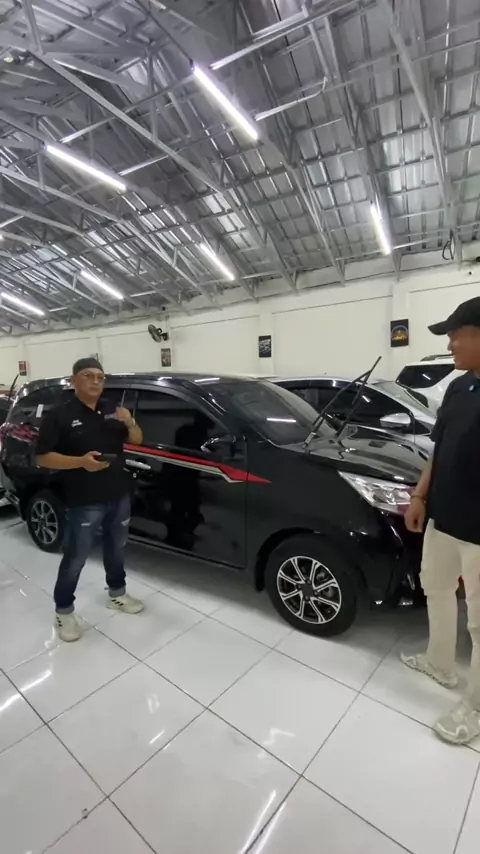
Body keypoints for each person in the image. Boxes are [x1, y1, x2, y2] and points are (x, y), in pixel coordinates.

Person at [402, 296, 480, 744]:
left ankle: (476, 707)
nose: (449, 345)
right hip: (443, 516)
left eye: (455, 335)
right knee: (436, 587)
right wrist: (419, 495)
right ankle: (440, 663)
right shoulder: (459, 387)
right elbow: (439, 447)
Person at [36, 357, 145, 642]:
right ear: (74, 380)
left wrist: (130, 421)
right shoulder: (59, 416)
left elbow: (136, 439)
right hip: (85, 499)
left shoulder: (112, 409)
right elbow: (43, 457)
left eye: (100, 376)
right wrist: (80, 462)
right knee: (76, 557)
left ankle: (117, 593)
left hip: (118, 493)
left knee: (117, 548)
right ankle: (63, 611)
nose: (96, 381)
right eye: (88, 375)